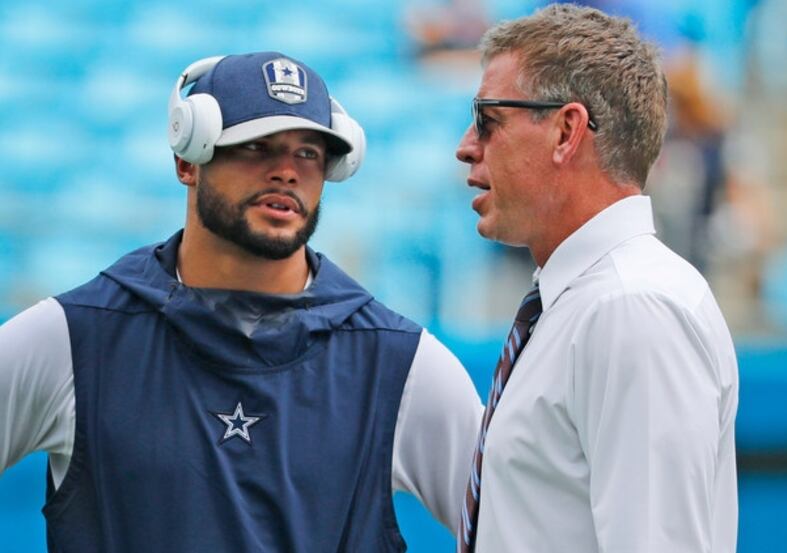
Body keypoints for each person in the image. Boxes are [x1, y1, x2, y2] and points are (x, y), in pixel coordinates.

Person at [0, 51, 483, 552]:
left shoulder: (401, 364)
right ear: (188, 159)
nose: (287, 172)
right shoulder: (72, 338)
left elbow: (518, 531)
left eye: (309, 153)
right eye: (256, 146)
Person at [454, 4, 739, 553]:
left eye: (489, 120)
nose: (467, 145)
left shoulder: (631, 307)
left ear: (566, 130)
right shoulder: (589, 300)